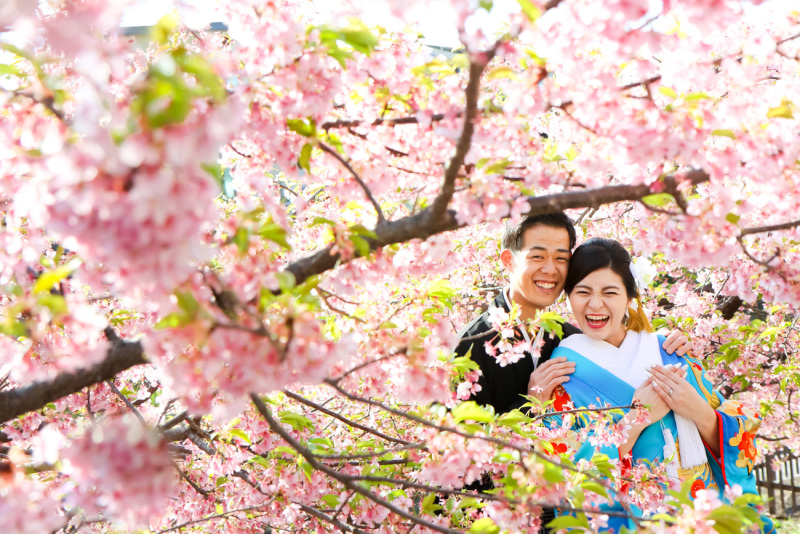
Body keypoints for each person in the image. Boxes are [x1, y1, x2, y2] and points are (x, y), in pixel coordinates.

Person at [547, 237, 773, 533]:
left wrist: (699, 411)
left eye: (610, 292)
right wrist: (636, 418)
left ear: (630, 297)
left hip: (699, 515)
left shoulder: (670, 349)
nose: (595, 304)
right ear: (568, 295)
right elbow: (565, 471)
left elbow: (739, 432)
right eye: (583, 292)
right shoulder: (562, 371)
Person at [454, 213, 691, 415]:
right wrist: (531, 405)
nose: (550, 269)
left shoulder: (570, 337)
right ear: (509, 260)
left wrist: (664, 346)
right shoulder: (468, 346)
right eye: (537, 256)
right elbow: (455, 456)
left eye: (561, 258)